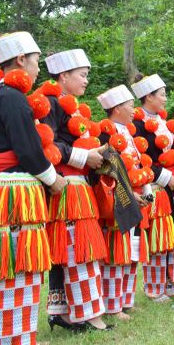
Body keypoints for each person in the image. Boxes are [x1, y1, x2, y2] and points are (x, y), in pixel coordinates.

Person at [0, 30, 66, 344]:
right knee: (20, 265)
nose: (37, 70)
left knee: (8, 265)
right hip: (16, 189)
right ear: (21, 60)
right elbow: (28, 149)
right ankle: (15, 337)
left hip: (0, 187)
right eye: (36, 62)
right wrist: (53, 178)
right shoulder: (11, 97)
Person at [40, 49, 111, 330]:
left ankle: (62, 311)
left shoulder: (69, 106)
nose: (86, 81)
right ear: (64, 75)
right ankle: (88, 315)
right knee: (79, 250)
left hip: (75, 186)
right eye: (82, 75)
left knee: (67, 250)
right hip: (66, 187)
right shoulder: (48, 103)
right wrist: (85, 157)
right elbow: (46, 144)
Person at [131, 74, 174, 300]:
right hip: (157, 185)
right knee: (159, 239)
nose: (165, 99)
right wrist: (165, 176)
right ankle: (154, 287)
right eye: (162, 94)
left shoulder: (164, 122)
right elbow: (139, 158)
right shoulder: (136, 123)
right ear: (148, 96)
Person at [96, 84, 151, 319]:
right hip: (118, 195)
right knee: (116, 252)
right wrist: (129, 193)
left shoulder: (128, 132)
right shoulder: (105, 132)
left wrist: (145, 190)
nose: (134, 110)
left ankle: (126, 299)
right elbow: (108, 169)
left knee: (132, 251)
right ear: (117, 108)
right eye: (130, 105)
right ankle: (112, 304)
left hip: (136, 196)